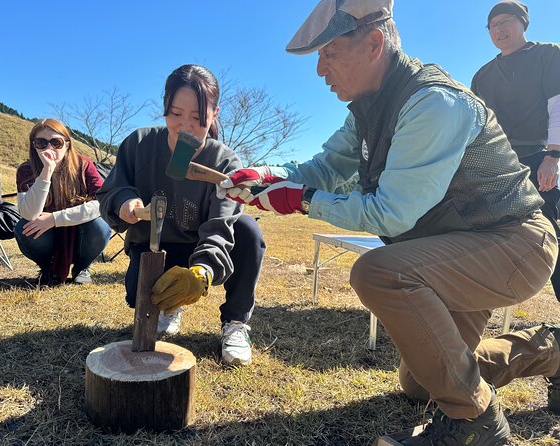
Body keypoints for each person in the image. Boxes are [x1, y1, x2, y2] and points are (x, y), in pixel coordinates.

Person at [218, 0, 560, 443]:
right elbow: (325, 168)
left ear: (374, 43)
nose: (321, 70)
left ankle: (476, 423)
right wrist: (269, 177)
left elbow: (390, 211)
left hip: (514, 244)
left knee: (380, 272)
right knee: (420, 383)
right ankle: (551, 350)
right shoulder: (368, 108)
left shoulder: (433, 104)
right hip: (460, 247)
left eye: (330, 53)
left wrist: (302, 202)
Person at [96, 64, 266, 366]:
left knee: (248, 231)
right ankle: (168, 310)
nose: (185, 126)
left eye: (198, 118)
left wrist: (201, 273)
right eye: (176, 114)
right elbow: (112, 191)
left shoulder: (224, 161)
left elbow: (220, 225)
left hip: (202, 244)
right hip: (155, 245)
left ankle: (235, 323)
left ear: (214, 114)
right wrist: (129, 205)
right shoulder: (139, 144)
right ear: (164, 109)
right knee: (137, 294)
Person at [472, 1, 560, 302]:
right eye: (492, 26)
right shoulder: (483, 75)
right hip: (497, 161)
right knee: (488, 233)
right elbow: (477, 125)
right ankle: (478, 304)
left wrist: (554, 156)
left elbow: (558, 105)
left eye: (505, 21)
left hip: (538, 156)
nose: (499, 30)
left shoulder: (548, 55)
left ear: (523, 23)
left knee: (548, 230)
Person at [15, 118, 111, 286]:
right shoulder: (26, 169)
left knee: (100, 226)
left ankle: (82, 267)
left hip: (79, 228)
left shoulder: (83, 164)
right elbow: (28, 213)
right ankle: (47, 268)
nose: (49, 148)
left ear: (67, 144)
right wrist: (46, 172)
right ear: (34, 146)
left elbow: (101, 201)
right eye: (41, 143)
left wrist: (55, 219)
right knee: (24, 228)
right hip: (46, 233)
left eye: (56, 143)